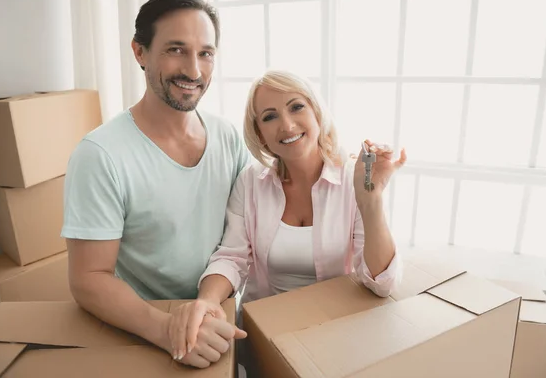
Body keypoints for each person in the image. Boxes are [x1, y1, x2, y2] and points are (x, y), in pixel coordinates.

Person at [61, 0, 248, 369]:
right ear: (139, 52)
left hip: (217, 313)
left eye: (205, 53)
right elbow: (88, 278)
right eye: (176, 49)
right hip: (144, 326)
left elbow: (244, 230)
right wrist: (167, 330)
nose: (194, 70)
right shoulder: (100, 155)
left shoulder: (227, 135)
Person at [174, 70, 406, 361]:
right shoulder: (250, 182)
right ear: (260, 134)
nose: (286, 125)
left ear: (317, 113)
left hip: (338, 334)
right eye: (270, 117)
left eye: (296, 107)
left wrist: (370, 201)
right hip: (267, 336)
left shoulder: (353, 179)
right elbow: (231, 257)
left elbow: (381, 284)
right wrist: (207, 301)